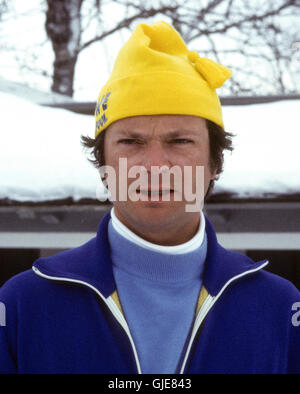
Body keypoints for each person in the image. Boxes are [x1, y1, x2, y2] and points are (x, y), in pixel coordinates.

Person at [0, 21, 299, 374]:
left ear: (214, 162)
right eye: (131, 142)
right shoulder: (23, 304)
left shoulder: (280, 308)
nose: (155, 165)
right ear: (103, 163)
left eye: (179, 141)